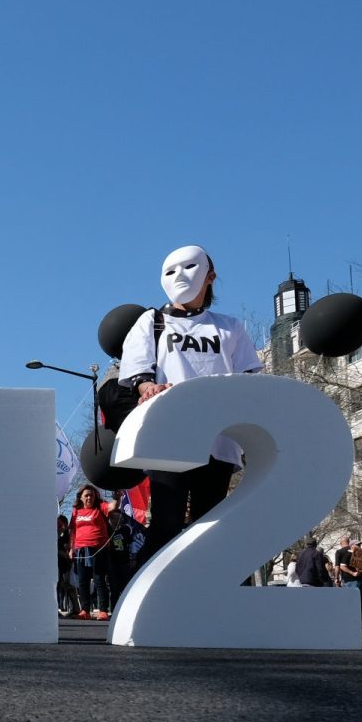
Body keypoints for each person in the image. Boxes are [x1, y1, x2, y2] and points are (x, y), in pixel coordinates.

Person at [117, 245, 262, 564]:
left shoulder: (230, 327)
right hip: (169, 432)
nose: (180, 276)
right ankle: (148, 601)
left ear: (211, 276)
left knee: (209, 524)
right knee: (166, 522)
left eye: (190, 268)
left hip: (220, 438)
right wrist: (147, 386)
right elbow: (138, 370)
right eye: (171, 270)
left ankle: (207, 601)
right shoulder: (151, 321)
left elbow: (250, 379)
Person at [68, 484, 117, 620]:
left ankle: (103, 611)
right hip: (81, 550)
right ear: (81, 498)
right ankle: (85, 611)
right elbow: (73, 530)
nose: (89, 497)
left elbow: (113, 507)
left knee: (99, 579)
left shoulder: (101, 507)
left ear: (95, 496)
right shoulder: (75, 511)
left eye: (92, 495)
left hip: (98, 549)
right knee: (82, 581)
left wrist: (117, 498)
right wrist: (72, 548)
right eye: (86, 495)